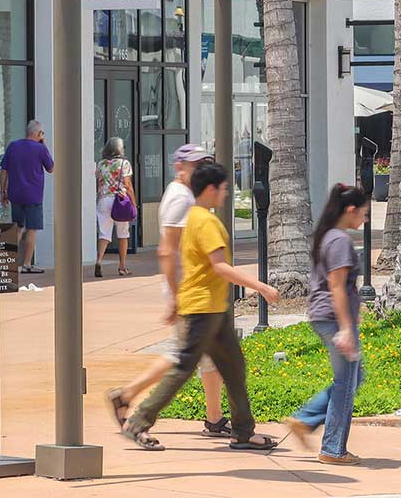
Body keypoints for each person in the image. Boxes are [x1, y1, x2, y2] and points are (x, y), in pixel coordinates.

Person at [122, 161, 280, 452]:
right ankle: (138, 422)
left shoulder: (193, 217)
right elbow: (220, 267)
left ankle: (244, 432)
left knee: (233, 368)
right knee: (182, 368)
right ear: (210, 189)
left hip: (212, 309)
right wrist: (261, 287)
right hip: (201, 309)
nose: (225, 193)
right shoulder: (206, 222)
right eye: (222, 188)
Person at [104, 145, 230, 438]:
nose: (200, 169)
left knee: (207, 355)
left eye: (203, 163)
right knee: (184, 354)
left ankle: (214, 418)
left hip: (195, 289)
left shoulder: (187, 196)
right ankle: (126, 396)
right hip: (188, 290)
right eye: (195, 164)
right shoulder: (180, 199)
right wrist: (175, 296)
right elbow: (167, 250)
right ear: (179, 167)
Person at [284, 184, 370, 466]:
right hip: (332, 318)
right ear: (350, 210)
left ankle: (305, 420)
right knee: (346, 382)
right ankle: (332, 448)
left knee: (354, 378)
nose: (365, 219)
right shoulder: (339, 241)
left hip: (327, 316)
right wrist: (346, 328)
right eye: (364, 213)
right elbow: (336, 287)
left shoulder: (330, 237)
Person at [0, 119, 54, 273]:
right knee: (32, 229)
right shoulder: (40, 149)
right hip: (33, 195)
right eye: (42, 133)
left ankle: (9, 264)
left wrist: (3, 191)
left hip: (15, 194)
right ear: (38, 133)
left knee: (17, 228)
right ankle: (27, 264)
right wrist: (43, 144)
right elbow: (51, 168)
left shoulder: (13, 146)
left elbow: (4, 170)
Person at [95, 137, 138, 277]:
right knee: (123, 233)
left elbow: (98, 184)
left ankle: (99, 261)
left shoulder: (101, 164)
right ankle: (122, 266)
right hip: (119, 200)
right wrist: (133, 202)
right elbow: (128, 185)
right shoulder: (124, 163)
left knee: (104, 233)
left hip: (103, 199)